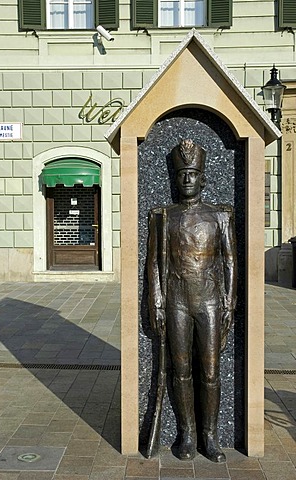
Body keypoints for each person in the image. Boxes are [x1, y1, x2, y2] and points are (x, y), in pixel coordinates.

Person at [147, 139, 237, 462]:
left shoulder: (220, 217)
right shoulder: (163, 217)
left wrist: (230, 302)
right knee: (181, 369)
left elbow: (230, 261)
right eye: (182, 174)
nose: (187, 180)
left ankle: (210, 436)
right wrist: (156, 301)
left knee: (210, 371)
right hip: (177, 302)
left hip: (210, 301)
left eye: (193, 174)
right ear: (176, 178)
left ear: (203, 178)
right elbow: (154, 262)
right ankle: (187, 433)